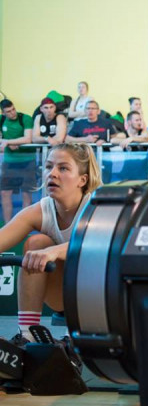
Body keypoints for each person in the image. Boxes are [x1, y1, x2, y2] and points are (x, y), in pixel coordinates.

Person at [0, 143, 101, 345]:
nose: (52, 174)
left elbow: (94, 245)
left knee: (71, 252)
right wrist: (48, 251)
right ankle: (27, 336)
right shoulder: (42, 209)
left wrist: (54, 251)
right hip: (62, 298)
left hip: (101, 299)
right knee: (37, 242)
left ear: (83, 180)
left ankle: (72, 338)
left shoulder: (97, 208)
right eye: (48, 167)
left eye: (63, 168)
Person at [0, 99, 35, 224]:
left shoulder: (25, 118)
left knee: (26, 195)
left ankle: (24, 226)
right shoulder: (2, 120)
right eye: (8, 112)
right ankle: (7, 226)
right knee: (5, 193)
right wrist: (5, 143)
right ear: (3, 113)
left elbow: (28, 139)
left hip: (27, 161)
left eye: (13, 109)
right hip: (9, 162)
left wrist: (9, 141)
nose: (12, 113)